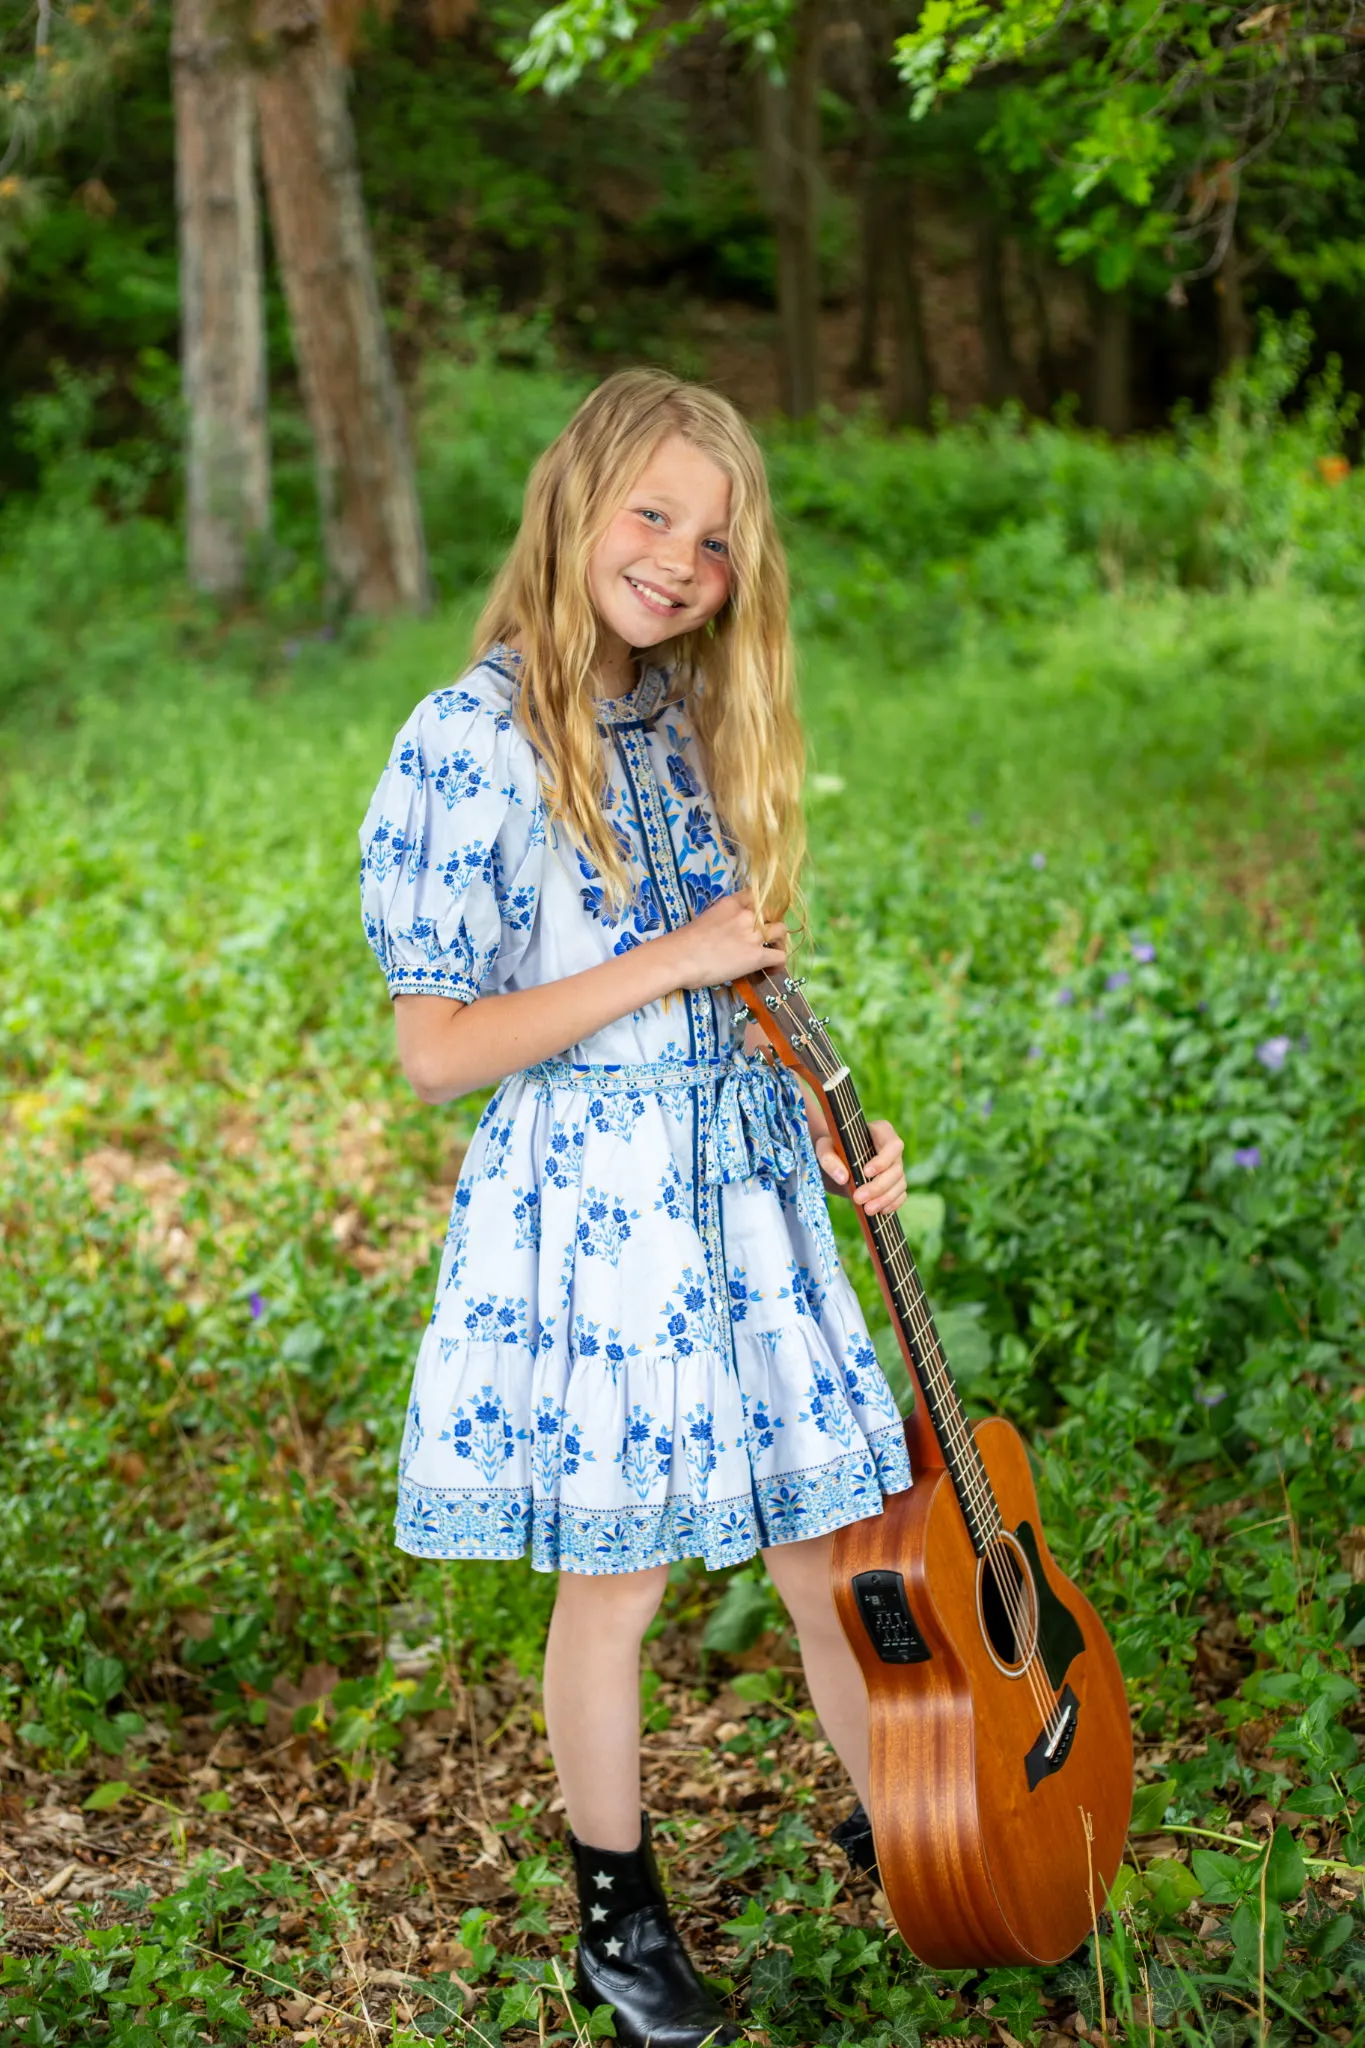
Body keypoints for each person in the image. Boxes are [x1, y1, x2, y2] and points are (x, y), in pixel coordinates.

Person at [359, 368, 911, 2048]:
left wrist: (831, 1118)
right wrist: (664, 960)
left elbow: (731, 985)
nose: (679, 559)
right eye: (652, 514)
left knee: (829, 1549)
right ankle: (620, 1915)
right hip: (596, 1216)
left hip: (740, 1183)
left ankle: (921, 1834)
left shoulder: (680, 722)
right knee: (624, 1583)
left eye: (716, 538)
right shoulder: (471, 738)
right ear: (574, 503)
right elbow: (437, 1053)